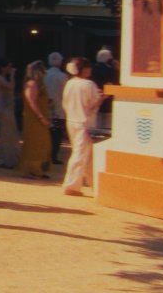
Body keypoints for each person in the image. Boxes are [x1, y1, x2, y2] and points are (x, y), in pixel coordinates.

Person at [61, 56, 104, 196]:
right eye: (88, 67)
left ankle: (93, 183)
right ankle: (71, 185)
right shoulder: (88, 84)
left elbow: (65, 103)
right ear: (83, 69)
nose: (90, 69)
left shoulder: (70, 83)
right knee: (80, 153)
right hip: (84, 122)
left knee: (86, 153)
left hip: (71, 120)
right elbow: (93, 103)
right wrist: (103, 97)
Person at [14, 59, 53, 179]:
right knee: (35, 143)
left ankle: (39, 169)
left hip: (40, 117)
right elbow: (32, 102)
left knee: (43, 143)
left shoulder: (39, 84)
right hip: (34, 119)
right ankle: (32, 169)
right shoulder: (32, 84)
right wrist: (41, 117)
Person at [0, 59, 20, 169]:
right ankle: (8, 160)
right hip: (3, 109)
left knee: (9, 134)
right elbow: (11, 87)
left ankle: (8, 158)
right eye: (8, 67)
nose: (10, 69)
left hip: (7, 108)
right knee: (7, 134)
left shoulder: (2, 78)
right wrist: (12, 75)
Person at [44, 51, 70, 165]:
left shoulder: (44, 74)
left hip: (45, 107)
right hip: (59, 107)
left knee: (47, 133)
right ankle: (53, 155)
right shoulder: (63, 76)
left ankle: (46, 154)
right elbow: (66, 93)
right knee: (57, 134)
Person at [91, 47, 117, 133]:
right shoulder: (110, 69)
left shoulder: (93, 68)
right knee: (107, 120)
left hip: (95, 95)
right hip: (107, 97)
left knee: (97, 118)